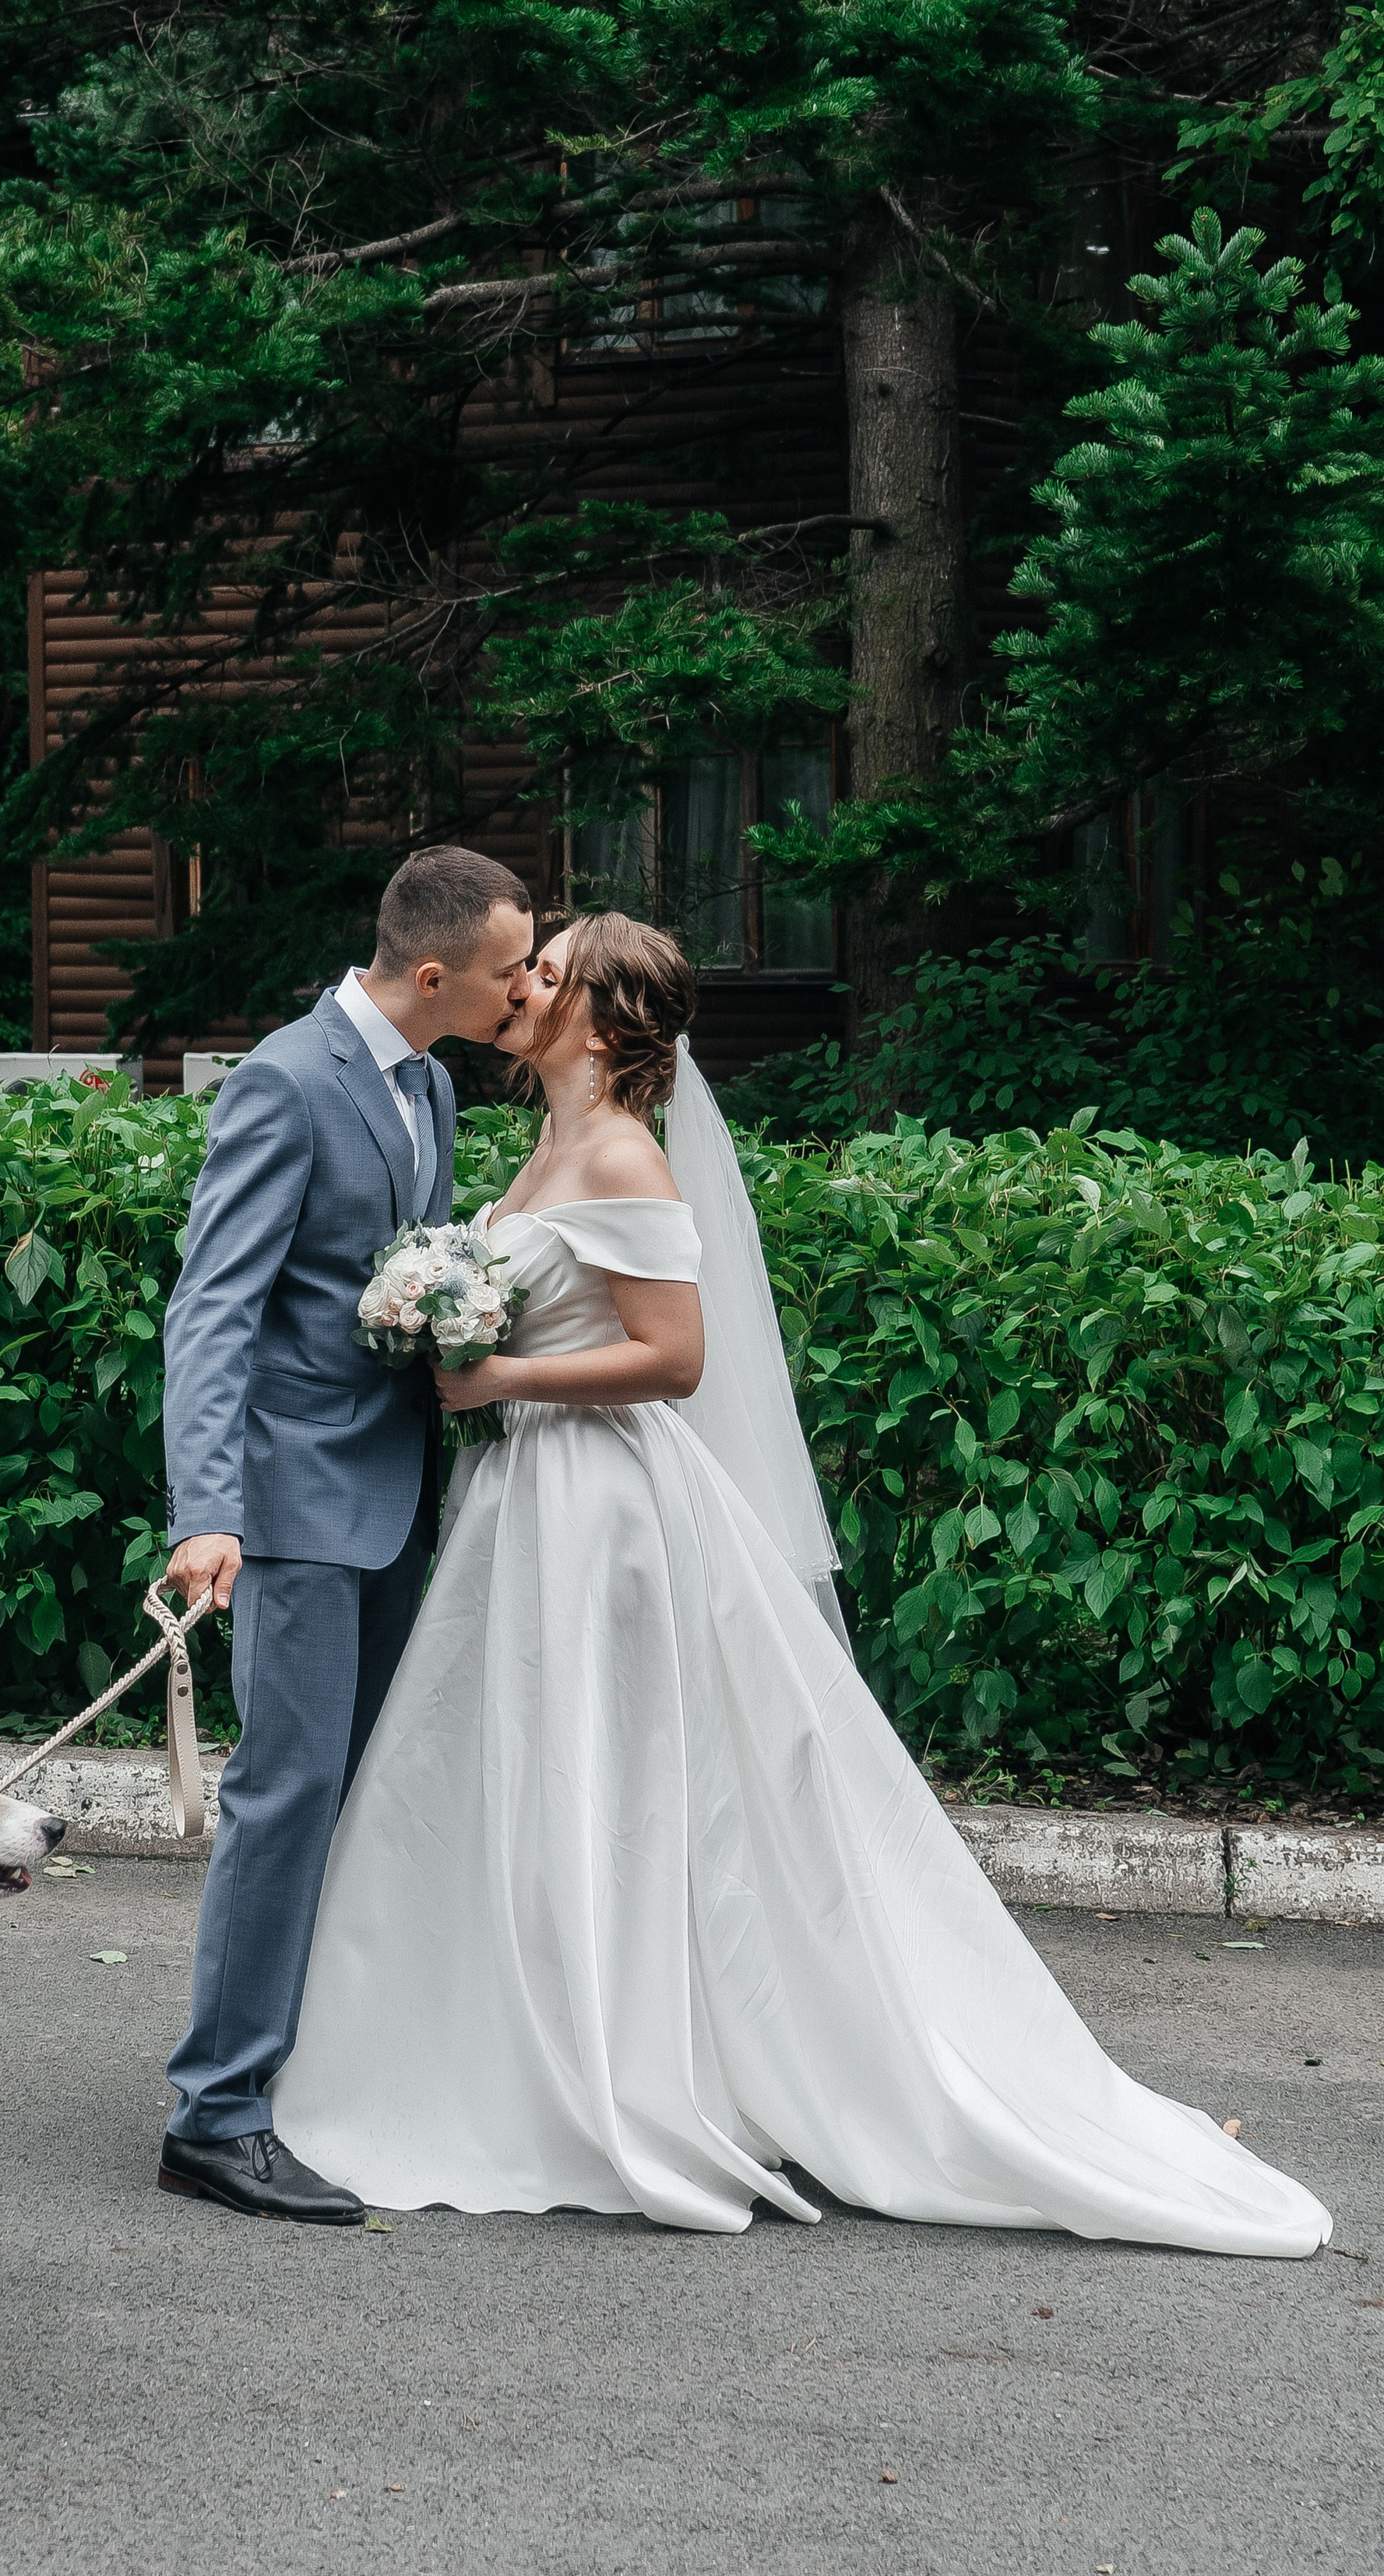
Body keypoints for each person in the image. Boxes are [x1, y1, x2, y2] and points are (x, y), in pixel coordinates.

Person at [272, 911, 1331, 2258]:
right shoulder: (546, 1143)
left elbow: (675, 1359)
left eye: (551, 970)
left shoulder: (625, 1154)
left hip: (603, 1509)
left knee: (605, 1779)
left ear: (601, 1019)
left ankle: (621, 2064)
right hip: (526, 1498)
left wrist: (504, 1376)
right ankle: (510, 2045)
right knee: (523, 1771)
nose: (525, 985)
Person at [155, 845, 536, 2220]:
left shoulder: (429, 1081)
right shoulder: (285, 1081)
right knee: (287, 1794)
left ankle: (307, 2075)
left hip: (396, 1497)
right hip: (297, 1504)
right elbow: (212, 1311)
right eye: (509, 972)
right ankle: (214, 2116)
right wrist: (209, 1513)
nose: (524, 991)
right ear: (435, 974)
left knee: (357, 1793)